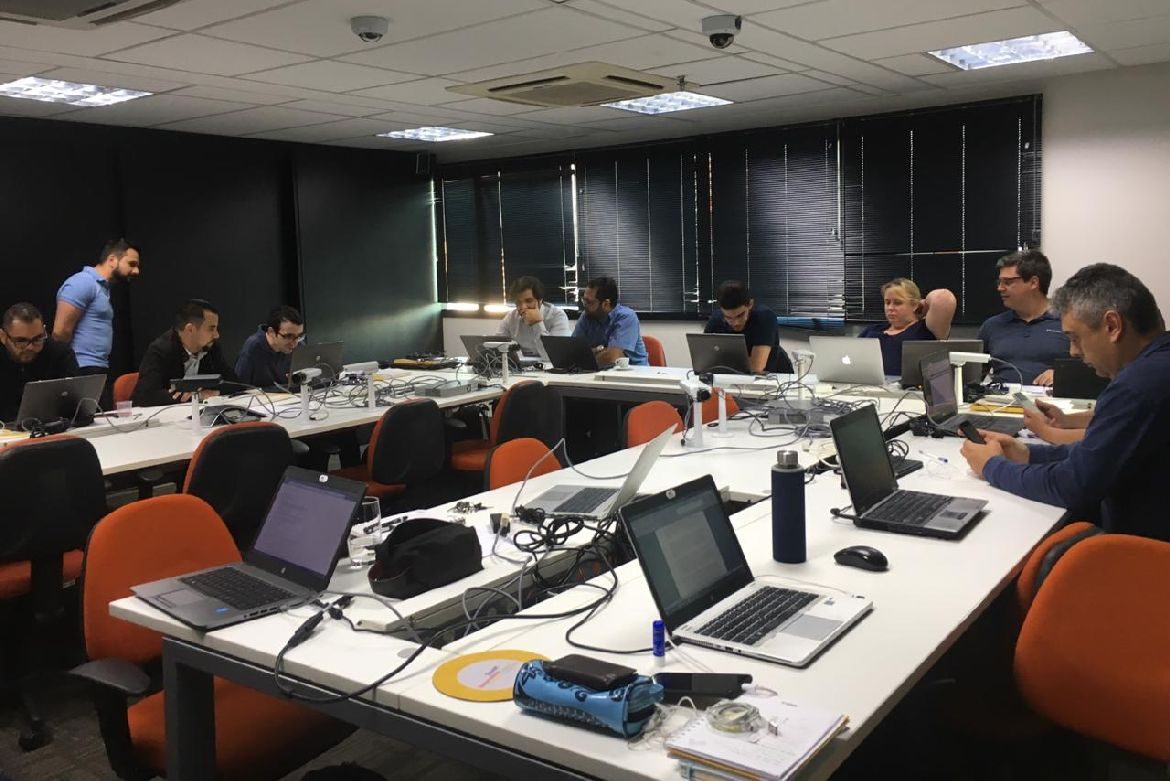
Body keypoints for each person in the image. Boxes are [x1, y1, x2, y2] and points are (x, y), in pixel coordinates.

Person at [960, 264, 1170, 540]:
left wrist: (992, 467)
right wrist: (1028, 454)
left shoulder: (1137, 385)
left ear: (1112, 326)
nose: (1073, 351)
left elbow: (1072, 486)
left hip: (1142, 552)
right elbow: (1099, 453)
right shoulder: (1157, 367)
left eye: (1075, 338)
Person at [53, 238, 141, 385]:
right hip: (80, 369)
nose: (136, 271)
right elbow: (60, 332)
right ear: (112, 260)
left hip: (96, 368)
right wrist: (69, 369)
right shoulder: (83, 282)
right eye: (131, 264)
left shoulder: (102, 288)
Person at [977, 249, 1069, 386]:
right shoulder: (991, 326)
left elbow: (1092, 370)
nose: (1000, 288)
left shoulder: (1068, 322)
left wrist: (1064, 375)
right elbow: (971, 377)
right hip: (1000, 398)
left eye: (1008, 282)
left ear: (1033, 283)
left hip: (1051, 397)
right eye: (999, 282)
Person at [133, 299, 238, 407]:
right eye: (211, 329)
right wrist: (196, 396)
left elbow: (235, 383)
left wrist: (213, 392)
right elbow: (144, 396)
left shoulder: (211, 348)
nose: (217, 335)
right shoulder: (161, 350)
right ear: (190, 329)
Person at [858, 278, 957, 377]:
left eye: (897, 303)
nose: (890, 308)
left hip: (908, 386)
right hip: (865, 384)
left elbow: (942, 297)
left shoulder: (925, 329)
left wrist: (921, 305)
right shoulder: (872, 330)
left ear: (914, 305)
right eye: (887, 302)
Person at [0, 302, 79, 421]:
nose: (31, 347)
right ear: (3, 336)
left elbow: (76, 401)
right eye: (21, 341)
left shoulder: (59, 353)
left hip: (53, 424)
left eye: (37, 339)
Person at [704, 281, 794, 374]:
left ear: (750, 304)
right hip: (733, 376)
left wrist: (722, 363)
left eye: (740, 315)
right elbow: (704, 361)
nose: (735, 323)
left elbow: (756, 368)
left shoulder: (764, 317)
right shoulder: (716, 319)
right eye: (728, 317)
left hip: (777, 376)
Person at [572, 276, 648, 366]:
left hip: (634, 371)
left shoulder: (626, 317)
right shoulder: (587, 315)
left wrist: (588, 354)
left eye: (589, 302)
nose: (585, 305)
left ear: (605, 304)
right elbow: (572, 351)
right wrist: (600, 351)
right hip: (599, 370)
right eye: (584, 300)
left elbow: (612, 357)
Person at [494, 276, 570, 359]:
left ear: (540, 300)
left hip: (549, 366)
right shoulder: (511, 317)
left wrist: (537, 323)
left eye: (528, 301)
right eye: (518, 302)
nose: (523, 307)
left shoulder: (557, 316)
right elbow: (496, 350)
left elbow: (555, 357)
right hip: (523, 366)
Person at [235, 305, 305, 388]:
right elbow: (239, 388)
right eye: (288, 336)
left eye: (299, 336)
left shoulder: (299, 345)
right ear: (271, 332)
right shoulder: (253, 347)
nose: (295, 343)